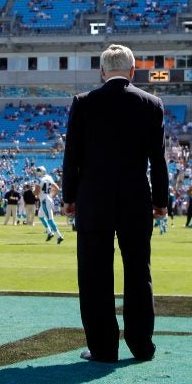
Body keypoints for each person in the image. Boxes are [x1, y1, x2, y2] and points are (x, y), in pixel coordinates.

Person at [62, 44, 168, 363]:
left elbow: (72, 158)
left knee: (95, 276)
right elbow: (158, 161)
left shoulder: (83, 103)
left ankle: (103, 348)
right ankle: (141, 345)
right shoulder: (152, 103)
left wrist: (69, 198)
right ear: (133, 71)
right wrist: (161, 202)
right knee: (138, 273)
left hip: (94, 201)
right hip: (136, 200)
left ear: (103, 72)